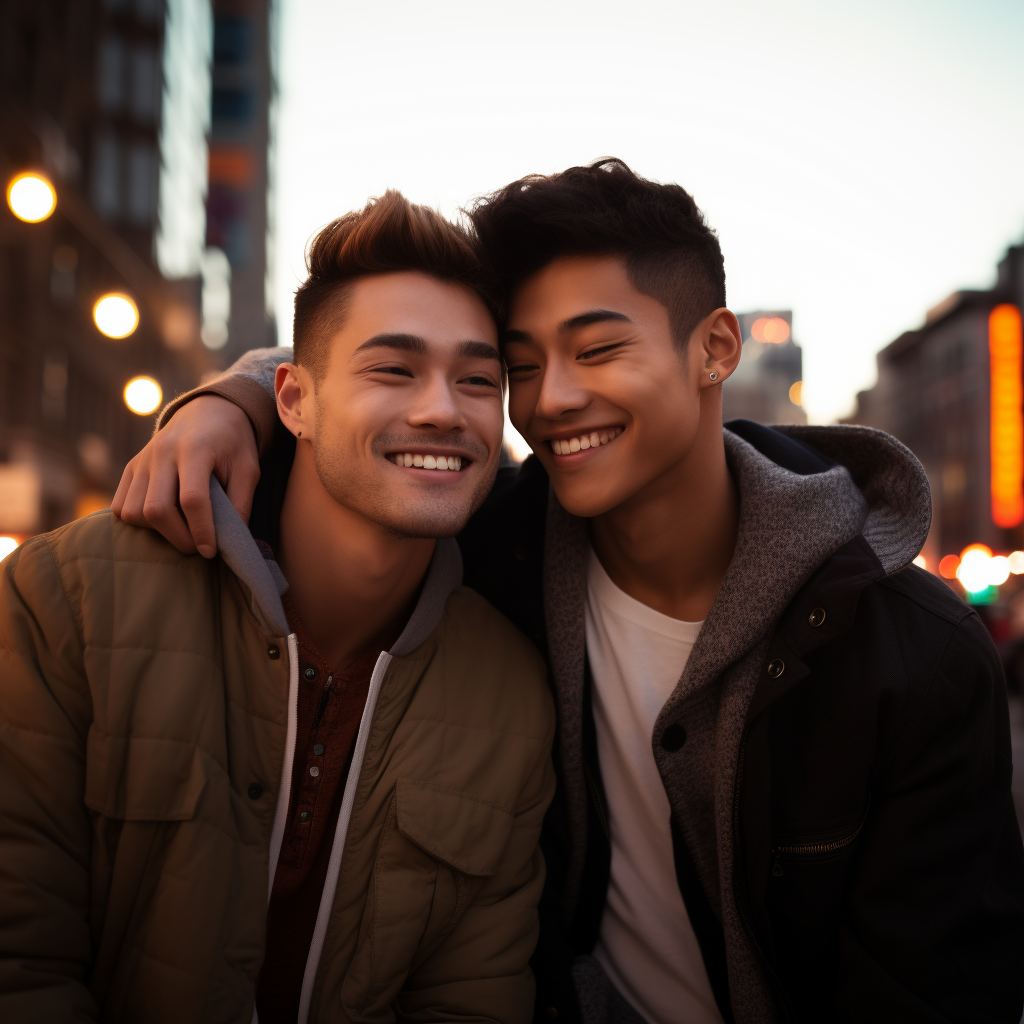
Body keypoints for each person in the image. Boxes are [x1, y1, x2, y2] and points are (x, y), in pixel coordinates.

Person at [112, 161, 1024, 1024]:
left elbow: (932, 991)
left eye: (597, 349)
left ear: (714, 348)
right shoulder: (496, 547)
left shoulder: (914, 652)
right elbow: (359, 397)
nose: (551, 401)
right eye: (522, 365)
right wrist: (228, 402)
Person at [0, 192, 555, 1023]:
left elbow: (471, 1000)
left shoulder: (509, 693)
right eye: (393, 369)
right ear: (292, 400)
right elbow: (19, 963)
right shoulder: (70, 599)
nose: (443, 408)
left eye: (477, 380)